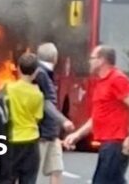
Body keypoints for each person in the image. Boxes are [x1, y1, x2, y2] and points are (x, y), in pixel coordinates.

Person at [63, 45, 129, 184]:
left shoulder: (117, 79)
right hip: (107, 144)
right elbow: (97, 117)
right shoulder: (101, 82)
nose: (89, 62)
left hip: (116, 143)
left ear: (101, 60)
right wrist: (77, 135)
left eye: (92, 58)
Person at [35, 42, 74, 184]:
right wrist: (62, 120)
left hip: (51, 134)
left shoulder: (44, 73)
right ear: (55, 57)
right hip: (42, 133)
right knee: (32, 172)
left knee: (57, 169)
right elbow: (46, 103)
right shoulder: (41, 74)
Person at [6, 52, 44, 184]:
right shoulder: (37, 94)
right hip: (31, 141)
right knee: (28, 179)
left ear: (18, 68)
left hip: (12, 139)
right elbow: (38, 117)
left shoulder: (9, 89)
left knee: (8, 178)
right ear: (36, 72)